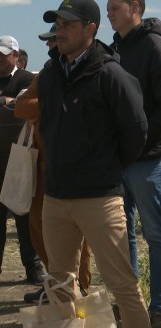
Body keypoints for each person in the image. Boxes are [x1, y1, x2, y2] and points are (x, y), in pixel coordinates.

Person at [38, 0, 151, 327]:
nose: (60, 31)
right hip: (56, 196)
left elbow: (136, 131)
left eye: (68, 25)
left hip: (100, 197)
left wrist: (104, 167)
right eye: (57, 24)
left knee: (122, 286)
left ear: (91, 28)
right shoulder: (50, 74)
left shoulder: (111, 74)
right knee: (59, 282)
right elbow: (47, 126)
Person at [15, 24, 92, 304]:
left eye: (54, 40)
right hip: (42, 167)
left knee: (76, 236)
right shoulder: (48, 73)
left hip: (73, 169)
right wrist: (50, 102)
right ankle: (55, 284)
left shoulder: (82, 69)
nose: (50, 46)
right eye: (49, 41)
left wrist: (48, 104)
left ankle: (80, 288)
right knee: (39, 230)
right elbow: (21, 106)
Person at [107, 0, 161, 325]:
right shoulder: (114, 49)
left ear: (135, 7)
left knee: (155, 234)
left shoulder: (154, 46)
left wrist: (137, 139)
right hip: (118, 159)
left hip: (148, 159)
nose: (109, 12)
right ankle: (131, 303)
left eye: (115, 6)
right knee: (119, 232)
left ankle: (158, 308)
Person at [0, 35, 44, 284]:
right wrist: (3, 102)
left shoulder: (27, 79)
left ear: (16, 56)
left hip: (20, 156)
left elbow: (20, 106)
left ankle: (33, 268)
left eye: (3, 54)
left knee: (24, 215)